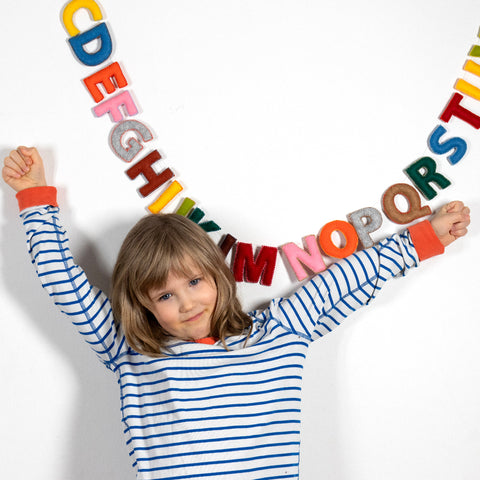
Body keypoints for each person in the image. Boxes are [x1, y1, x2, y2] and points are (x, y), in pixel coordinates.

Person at [2, 146, 471, 479]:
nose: (186, 304)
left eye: (193, 283)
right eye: (164, 296)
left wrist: (421, 240)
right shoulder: (131, 348)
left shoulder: (277, 332)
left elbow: (341, 281)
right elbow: (61, 280)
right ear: (142, 303)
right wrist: (34, 198)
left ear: (218, 277)